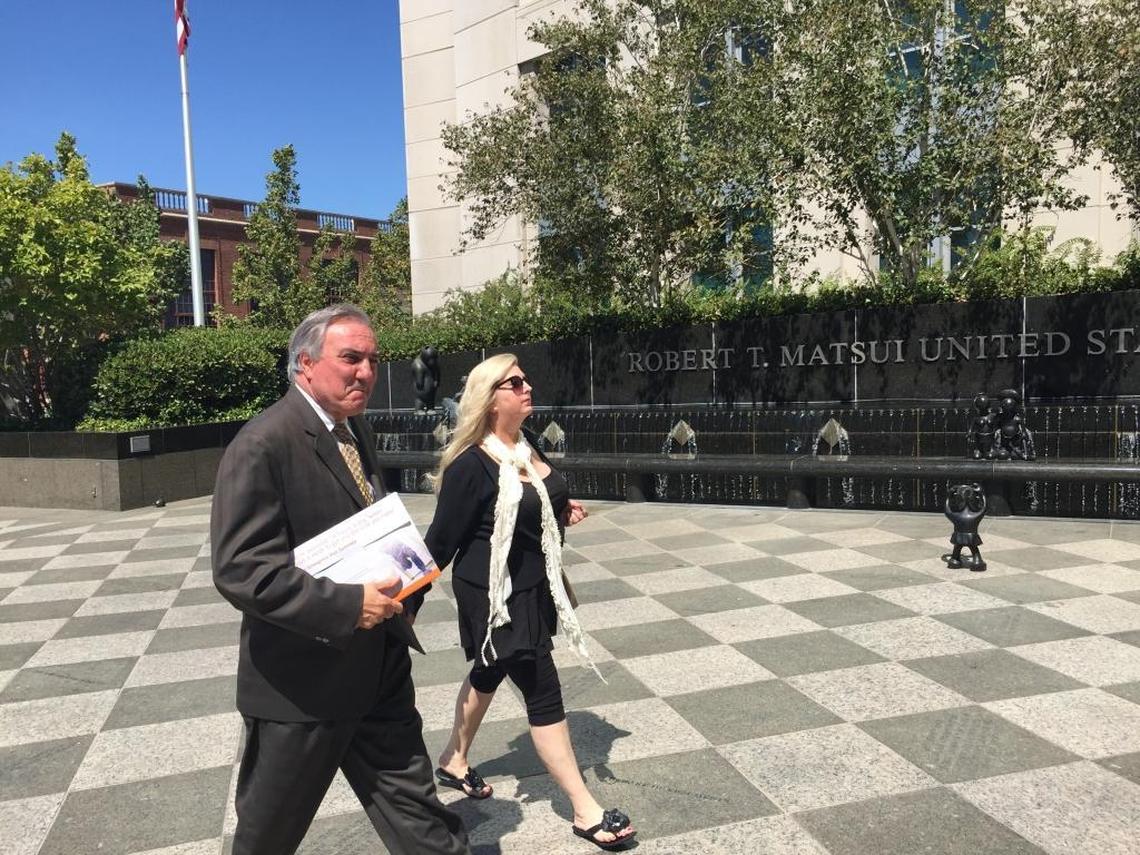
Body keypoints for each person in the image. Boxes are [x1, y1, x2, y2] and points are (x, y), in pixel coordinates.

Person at [211, 304, 469, 855]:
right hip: (301, 686)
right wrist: (347, 605)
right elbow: (241, 569)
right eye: (350, 357)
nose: (366, 371)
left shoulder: (355, 431)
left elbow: (367, 522)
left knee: (421, 818)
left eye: (373, 360)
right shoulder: (262, 444)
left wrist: (406, 575)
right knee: (267, 837)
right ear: (305, 364)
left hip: (378, 668)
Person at [423, 353, 637, 852]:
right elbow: (439, 545)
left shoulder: (525, 443)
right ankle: (586, 811)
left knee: (488, 672)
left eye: (524, 379)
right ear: (488, 397)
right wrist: (397, 606)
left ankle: (453, 761)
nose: (526, 386)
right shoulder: (470, 465)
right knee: (543, 690)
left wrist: (561, 509)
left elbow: (538, 497)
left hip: (534, 587)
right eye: (513, 382)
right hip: (496, 597)